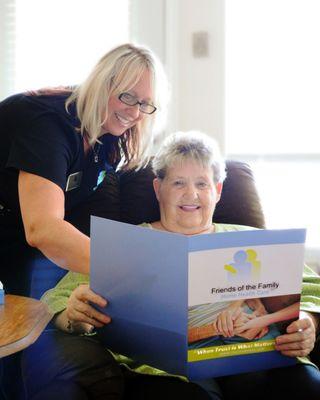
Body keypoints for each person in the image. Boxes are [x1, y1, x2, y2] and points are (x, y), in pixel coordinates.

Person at [22, 131, 320, 400]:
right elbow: (55, 301)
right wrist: (71, 315)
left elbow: (310, 289)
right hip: (164, 372)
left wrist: (308, 321)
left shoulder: (251, 237)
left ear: (217, 190)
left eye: (202, 183)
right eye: (178, 183)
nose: (191, 195)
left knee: (306, 385)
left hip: (255, 358)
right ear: (158, 188)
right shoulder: (124, 243)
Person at [0, 43, 168, 297]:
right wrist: (127, 271)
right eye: (127, 96)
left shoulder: (108, 136)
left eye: (145, 104)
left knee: (38, 320)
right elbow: (43, 228)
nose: (134, 112)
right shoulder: (48, 124)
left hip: (16, 231)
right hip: (20, 224)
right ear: (102, 84)